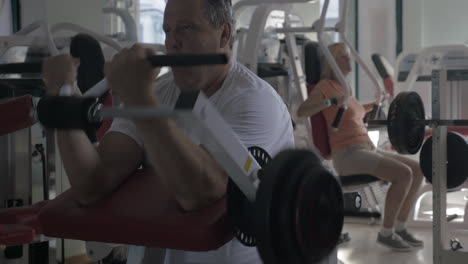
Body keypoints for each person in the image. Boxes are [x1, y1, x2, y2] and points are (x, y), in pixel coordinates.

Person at [42, 0, 295, 263]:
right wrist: (63, 94)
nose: (173, 42)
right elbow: (93, 183)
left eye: (186, 28)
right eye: (168, 30)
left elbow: (201, 193)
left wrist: (140, 96)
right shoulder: (159, 92)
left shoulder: (254, 103)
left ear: (224, 34)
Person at [297, 43, 424, 252]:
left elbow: (352, 113)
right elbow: (303, 111)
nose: (349, 61)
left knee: (417, 171)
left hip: (366, 148)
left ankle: (400, 227)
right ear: (332, 64)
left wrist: (372, 106)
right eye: (344, 57)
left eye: (348, 56)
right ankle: (386, 233)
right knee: (403, 174)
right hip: (348, 154)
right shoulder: (325, 87)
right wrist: (329, 101)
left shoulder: (346, 88)